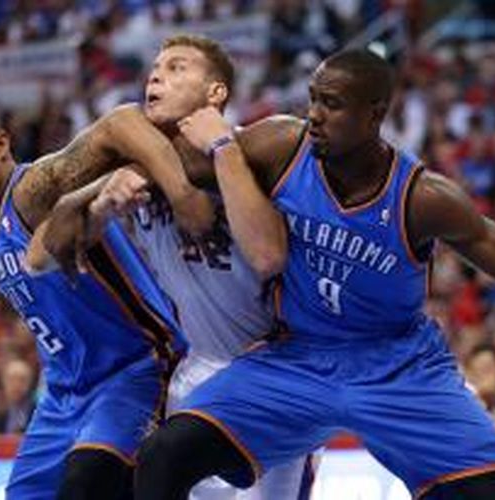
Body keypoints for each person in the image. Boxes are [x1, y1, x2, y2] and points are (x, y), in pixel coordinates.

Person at [129, 49, 495, 499]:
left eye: (334, 105)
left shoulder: (424, 198)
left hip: (397, 366)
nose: (316, 115)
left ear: (376, 114)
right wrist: (111, 173)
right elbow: (174, 156)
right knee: (163, 456)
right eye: (313, 99)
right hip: (298, 357)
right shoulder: (281, 145)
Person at [34, 35, 313, 500]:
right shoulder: (134, 170)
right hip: (198, 370)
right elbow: (42, 258)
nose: (156, 75)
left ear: (215, 93)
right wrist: (99, 203)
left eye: (177, 67)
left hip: (277, 371)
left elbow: (269, 256)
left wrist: (213, 159)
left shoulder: (256, 153)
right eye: (155, 68)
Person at [0, 105, 203, 499]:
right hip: (63, 392)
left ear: (1, 144)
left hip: (133, 369)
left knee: (88, 482)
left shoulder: (33, 189)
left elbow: (118, 123)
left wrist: (180, 189)